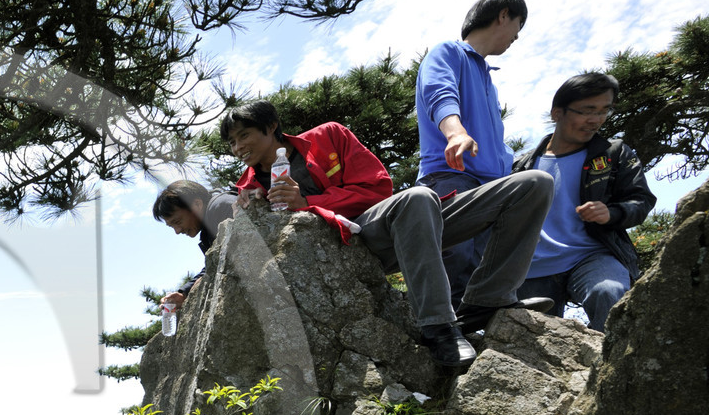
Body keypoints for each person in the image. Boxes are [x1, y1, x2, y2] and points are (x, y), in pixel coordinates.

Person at [223, 99, 555, 370]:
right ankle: (439, 327)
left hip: (405, 223)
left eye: (244, 135)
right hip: (359, 246)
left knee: (532, 184)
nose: (238, 147)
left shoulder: (328, 137)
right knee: (418, 197)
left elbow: (379, 187)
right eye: (233, 142)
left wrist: (309, 200)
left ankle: (489, 299)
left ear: (270, 127)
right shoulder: (249, 191)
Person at [513, 73, 657, 332]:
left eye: (604, 111)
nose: (596, 120)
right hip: (532, 267)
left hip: (593, 255)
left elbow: (641, 199)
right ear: (557, 113)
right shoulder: (520, 165)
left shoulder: (614, 153)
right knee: (530, 335)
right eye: (587, 110)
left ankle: (613, 370)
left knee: (609, 292)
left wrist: (612, 213)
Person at [416, 0, 528, 305]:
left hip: (489, 185)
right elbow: (438, 92)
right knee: (456, 255)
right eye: (518, 25)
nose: (517, 36)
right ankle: (437, 330)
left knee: (482, 263)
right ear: (503, 15)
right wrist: (455, 133)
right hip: (453, 175)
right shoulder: (448, 52)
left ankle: (483, 318)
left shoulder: (487, 78)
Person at [151, 179, 235, 314]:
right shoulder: (210, 222)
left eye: (177, 222)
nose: (177, 231)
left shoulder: (221, 208)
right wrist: (184, 293)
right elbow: (212, 265)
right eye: (172, 226)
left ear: (197, 204)